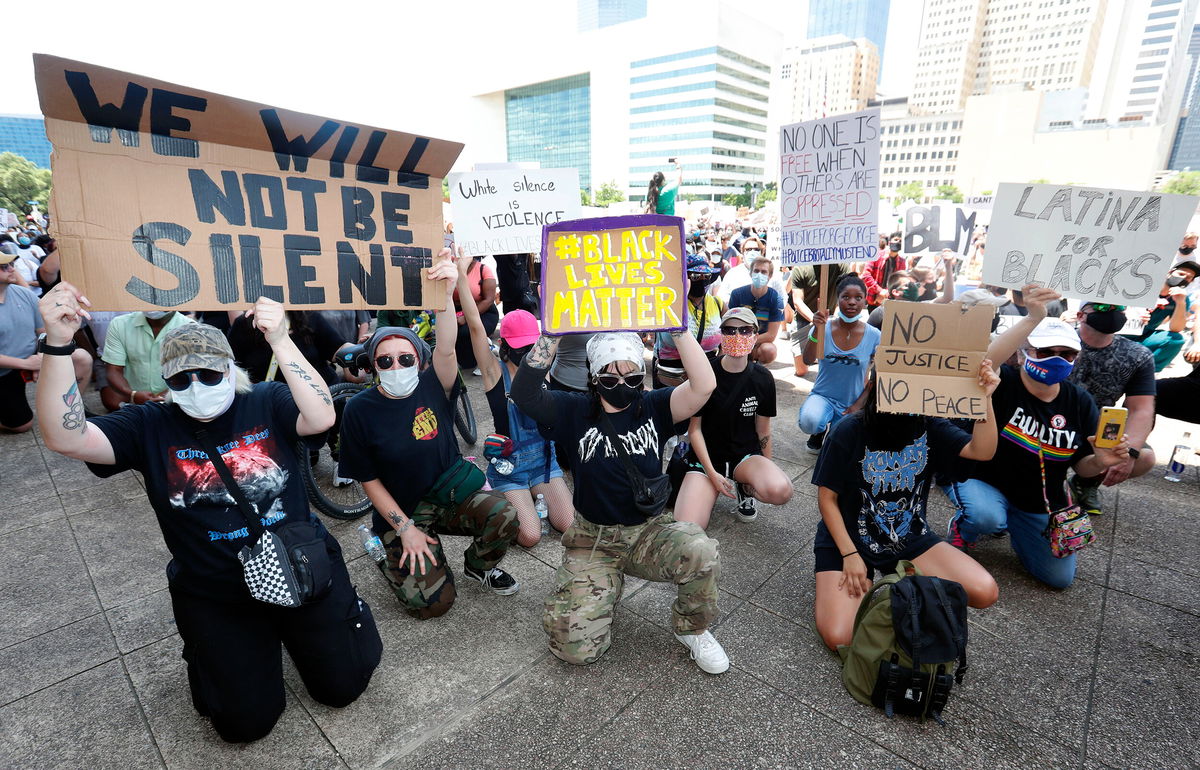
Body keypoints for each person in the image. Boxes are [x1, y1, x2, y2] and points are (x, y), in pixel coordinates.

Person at [35, 286, 381, 743]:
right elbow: (67, 437)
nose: (196, 387)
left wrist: (280, 338)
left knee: (343, 687)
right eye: (181, 380)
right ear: (166, 383)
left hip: (298, 564)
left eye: (209, 374)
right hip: (217, 589)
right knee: (244, 724)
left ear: (231, 370)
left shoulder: (265, 399)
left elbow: (319, 417)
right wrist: (58, 345)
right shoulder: (149, 424)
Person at [511, 328, 728, 673]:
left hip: (647, 531)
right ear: (594, 378)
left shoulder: (654, 406)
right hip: (593, 541)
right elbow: (523, 393)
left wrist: (679, 330)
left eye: (632, 376)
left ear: (642, 376)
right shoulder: (574, 410)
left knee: (701, 551)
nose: (622, 385)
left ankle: (693, 629)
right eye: (610, 377)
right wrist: (551, 335)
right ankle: (602, 585)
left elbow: (704, 386)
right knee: (574, 648)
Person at [338, 251, 521, 618]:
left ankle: (478, 566)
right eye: (384, 360)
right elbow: (369, 480)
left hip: (448, 496)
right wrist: (404, 528)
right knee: (432, 605)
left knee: (503, 513)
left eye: (405, 358)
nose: (395, 365)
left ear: (419, 361)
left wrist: (446, 291)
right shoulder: (359, 409)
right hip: (402, 512)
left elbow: (448, 346)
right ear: (373, 365)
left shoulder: (433, 384)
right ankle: (388, 551)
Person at [943, 290, 1132, 589]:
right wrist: (1034, 317)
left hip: (1040, 502)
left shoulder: (1080, 402)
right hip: (985, 482)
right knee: (987, 517)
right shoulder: (1002, 382)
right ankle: (966, 528)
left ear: (1076, 358)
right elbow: (984, 363)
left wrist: (1100, 462)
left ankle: (1018, 527)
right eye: (1046, 352)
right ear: (1023, 353)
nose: (1057, 359)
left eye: (1067, 354)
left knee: (1058, 579)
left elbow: (1082, 467)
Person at [812, 362, 1001, 649]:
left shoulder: (930, 426)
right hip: (848, 540)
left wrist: (985, 399)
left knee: (984, 591)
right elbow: (827, 498)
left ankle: (903, 584)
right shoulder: (849, 429)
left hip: (908, 537)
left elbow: (982, 451)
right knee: (839, 637)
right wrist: (849, 554)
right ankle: (880, 584)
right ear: (875, 388)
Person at [465, 287, 572, 546]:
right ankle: (497, 497)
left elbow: (556, 327)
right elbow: (476, 327)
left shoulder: (543, 368)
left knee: (569, 525)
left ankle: (530, 499)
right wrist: (459, 275)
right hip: (509, 471)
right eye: (521, 347)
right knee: (530, 536)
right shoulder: (494, 374)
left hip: (545, 465)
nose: (529, 353)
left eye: (532, 345)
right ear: (504, 345)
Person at [674, 307, 793, 527]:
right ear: (721, 335)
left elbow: (763, 430)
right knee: (687, 526)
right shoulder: (705, 374)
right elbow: (694, 430)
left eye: (745, 330)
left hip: (744, 456)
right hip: (707, 459)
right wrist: (712, 474)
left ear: (755, 336)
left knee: (781, 490)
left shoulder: (763, 378)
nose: (737, 336)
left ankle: (744, 486)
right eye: (729, 330)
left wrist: (762, 473)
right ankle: (713, 484)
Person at [1064, 302, 1158, 515]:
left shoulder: (1137, 355)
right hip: (1046, 422)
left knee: (1144, 458)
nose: (1113, 314)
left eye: (1119, 309)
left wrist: (1130, 453)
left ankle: (1085, 482)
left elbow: (1141, 409)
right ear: (1081, 315)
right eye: (1104, 309)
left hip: (1094, 430)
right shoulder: (1058, 342)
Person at [0, 250, 91, 433]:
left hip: (32, 355)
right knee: (21, 425)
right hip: (6, 369)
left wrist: (41, 357)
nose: (11, 269)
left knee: (82, 358)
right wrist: (26, 363)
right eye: (4, 267)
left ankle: (69, 409)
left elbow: (43, 331)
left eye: (11, 264)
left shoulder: (22, 293)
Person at [798, 275, 880, 453]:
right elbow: (807, 360)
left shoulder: (874, 335)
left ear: (865, 302)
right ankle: (818, 432)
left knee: (844, 446)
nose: (852, 302)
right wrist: (816, 331)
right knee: (810, 421)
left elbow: (879, 376)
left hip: (852, 402)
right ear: (837, 299)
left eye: (858, 297)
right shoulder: (822, 327)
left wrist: (859, 405)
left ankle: (833, 432)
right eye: (846, 297)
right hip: (822, 396)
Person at [100, 310, 195, 411]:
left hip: (175, 397)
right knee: (110, 398)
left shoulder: (190, 328)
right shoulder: (119, 324)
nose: (154, 302)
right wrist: (133, 395)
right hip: (132, 397)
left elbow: (192, 374)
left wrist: (168, 395)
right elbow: (114, 369)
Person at [654, 254, 724, 387]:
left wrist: (718, 367)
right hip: (672, 375)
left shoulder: (718, 304)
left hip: (707, 374)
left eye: (706, 276)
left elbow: (726, 339)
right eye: (695, 276)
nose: (702, 280)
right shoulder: (668, 303)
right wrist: (679, 297)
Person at [229, 310, 345, 385]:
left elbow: (339, 350)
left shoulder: (311, 318)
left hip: (321, 400)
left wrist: (359, 351)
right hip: (270, 408)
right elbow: (232, 369)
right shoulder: (243, 325)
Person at [1123, 260, 1198, 371]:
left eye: (1189, 278)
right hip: (1118, 332)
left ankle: (1144, 373)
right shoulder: (1145, 285)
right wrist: (1133, 314)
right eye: (1181, 274)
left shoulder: (1181, 298)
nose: (1184, 279)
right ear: (1170, 272)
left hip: (1143, 336)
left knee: (1176, 340)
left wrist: (1180, 303)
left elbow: (1176, 328)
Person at [788, 261, 846, 377]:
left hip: (829, 319)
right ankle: (813, 353)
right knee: (801, 370)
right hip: (803, 320)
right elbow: (797, 301)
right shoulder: (801, 268)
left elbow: (849, 290)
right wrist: (815, 320)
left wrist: (838, 319)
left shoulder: (841, 267)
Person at [867, 257, 956, 328]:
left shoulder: (921, 306)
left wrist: (948, 266)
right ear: (896, 292)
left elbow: (947, 298)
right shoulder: (880, 313)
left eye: (916, 284)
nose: (915, 287)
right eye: (909, 284)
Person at [727, 256, 784, 365]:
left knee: (769, 351)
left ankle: (758, 368)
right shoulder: (737, 294)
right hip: (738, 339)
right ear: (750, 273)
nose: (759, 275)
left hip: (760, 342)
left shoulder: (776, 299)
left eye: (764, 272)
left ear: (770, 276)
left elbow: (771, 335)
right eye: (756, 271)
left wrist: (747, 342)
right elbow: (730, 324)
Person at [453, 257, 499, 372]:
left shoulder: (483, 269)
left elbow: (489, 300)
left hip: (482, 311)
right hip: (456, 312)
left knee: (466, 332)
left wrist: (466, 317)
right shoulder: (449, 268)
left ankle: (487, 351)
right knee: (466, 363)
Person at [861, 232, 906, 306]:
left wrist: (887, 294)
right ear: (889, 242)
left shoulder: (902, 262)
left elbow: (900, 281)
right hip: (874, 299)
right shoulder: (876, 255)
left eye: (901, 241)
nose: (898, 242)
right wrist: (880, 291)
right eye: (896, 240)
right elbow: (866, 275)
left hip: (890, 301)